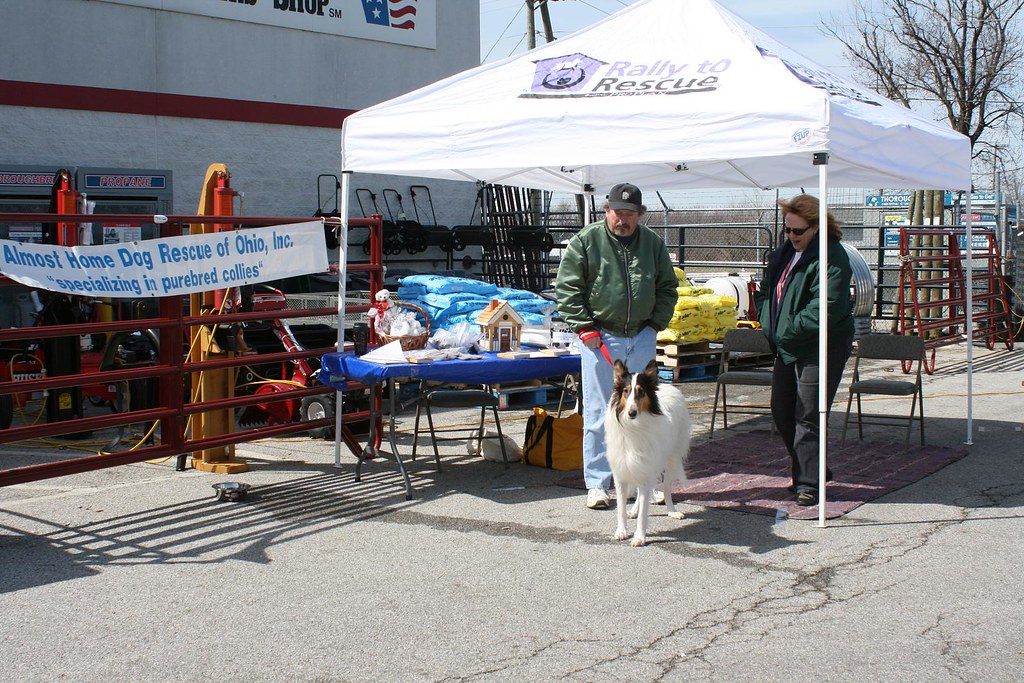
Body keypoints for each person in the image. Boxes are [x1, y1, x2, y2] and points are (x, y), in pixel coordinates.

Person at [554, 183, 678, 509]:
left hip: (642, 335)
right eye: (617, 212)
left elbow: (668, 286)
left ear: (640, 215)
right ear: (606, 210)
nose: (623, 219)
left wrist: (655, 324)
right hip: (600, 337)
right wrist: (583, 326)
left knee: (643, 412)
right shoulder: (586, 241)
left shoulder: (652, 244)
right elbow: (567, 288)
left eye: (630, 214)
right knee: (599, 411)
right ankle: (598, 483)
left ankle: (641, 479)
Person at [754, 194, 854, 506]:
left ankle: (808, 483)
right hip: (788, 345)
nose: (792, 236)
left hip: (820, 345)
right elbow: (769, 290)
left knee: (808, 413)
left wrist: (785, 328)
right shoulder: (784, 254)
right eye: (788, 230)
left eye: (798, 231)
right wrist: (766, 317)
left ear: (816, 227)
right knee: (782, 410)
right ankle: (813, 468)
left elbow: (826, 307)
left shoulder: (832, 257)